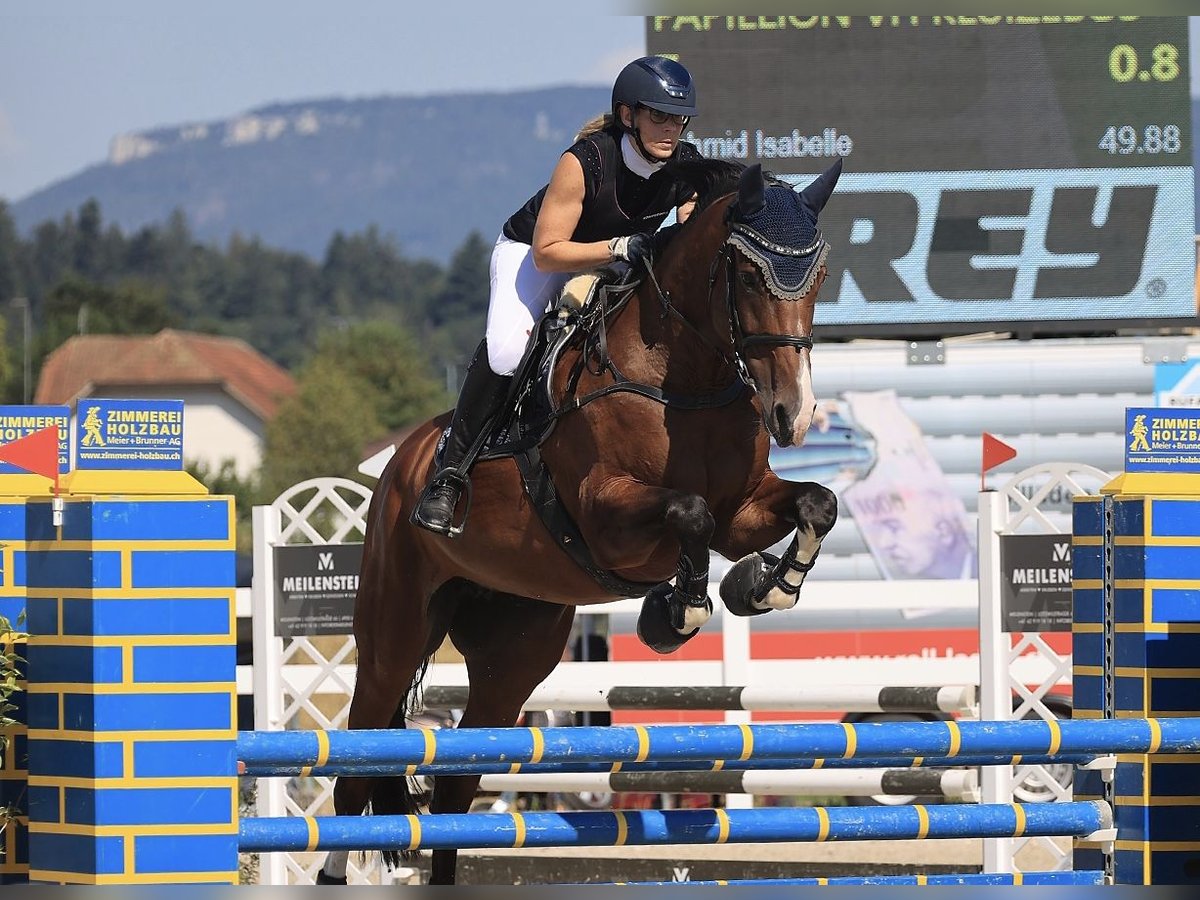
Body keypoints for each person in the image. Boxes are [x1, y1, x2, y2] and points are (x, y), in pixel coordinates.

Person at [412, 56, 704, 537]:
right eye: (659, 117)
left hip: (613, 259)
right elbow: (549, 252)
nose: (671, 130)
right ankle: (449, 473)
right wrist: (615, 247)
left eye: (679, 119)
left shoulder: (683, 164)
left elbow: (696, 222)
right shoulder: (585, 161)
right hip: (537, 255)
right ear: (628, 115)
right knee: (508, 353)